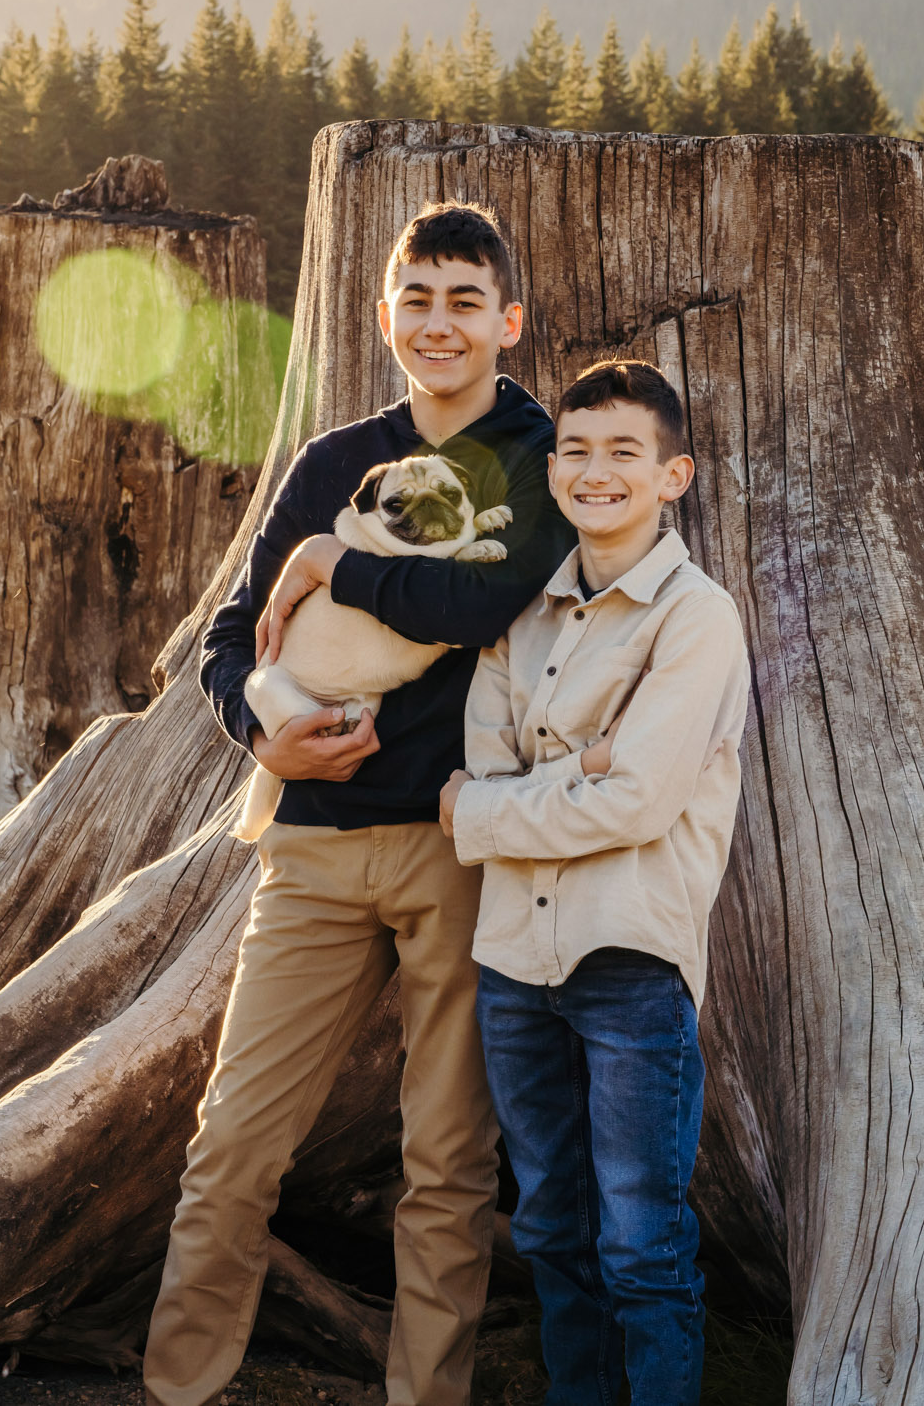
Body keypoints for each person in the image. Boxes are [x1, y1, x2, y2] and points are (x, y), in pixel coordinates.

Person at [146, 202, 574, 1406]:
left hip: (464, 841)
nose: (440, 324)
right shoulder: (335, 459)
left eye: (464, 301)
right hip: (312, 845)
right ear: (383, 314)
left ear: (508, 320)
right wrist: (263, 722)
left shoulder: (539, 455)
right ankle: (179, 1387)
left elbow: (478, 607)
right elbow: (229, 639)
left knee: (446, 1166)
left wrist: (335, 563)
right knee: (232, 1147)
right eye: (418, 300)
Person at [438, 359, 751, 1406]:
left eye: (624, 451)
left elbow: (634, 803)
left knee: (641, 1246)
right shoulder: (521, 615)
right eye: (575, 449)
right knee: (553, 1236)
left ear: (674, 475)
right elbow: (488, 770)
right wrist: (587, 764)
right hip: (512, 965)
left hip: (630, 964)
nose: (594, 470)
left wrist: (518, 801)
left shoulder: (694, 617)